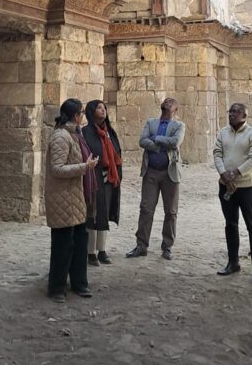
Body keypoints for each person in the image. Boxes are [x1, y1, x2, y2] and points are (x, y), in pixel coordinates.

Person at [45, 98, 99, 303]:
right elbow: (57, 168)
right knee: (62, 245)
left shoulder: (74, 135)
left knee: (79, 243)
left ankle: (79, 282)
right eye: (81, 113)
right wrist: (85, 168)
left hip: (74, 197)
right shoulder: (61, 137)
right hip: (62, 198)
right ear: (75, 115)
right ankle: (57, 287)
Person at [126, 97, 185, 261]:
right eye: (166, 101)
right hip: (151, 172)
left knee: (171, 212)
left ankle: (167, 246)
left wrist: (156, 138)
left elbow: (175, 142)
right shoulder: (151, 122)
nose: (167, 102)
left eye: (171, 102)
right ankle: (141, 245)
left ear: (176, 109)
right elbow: (142, 141)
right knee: (146, 209)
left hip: (170, 174)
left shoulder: (179, 125)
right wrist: (158, 145)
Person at [213, 103, 252, 280]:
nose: (232, 114)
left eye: (236, 112)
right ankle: (233, 262)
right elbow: (217, 153)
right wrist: (224, 175)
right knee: (231, 224)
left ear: (245, 115)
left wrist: (235, 173)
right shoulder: (222, 132)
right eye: (230, 111)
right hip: (226, 185)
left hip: (246, 186)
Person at [82, 99, 122, 266]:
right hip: (93, 178)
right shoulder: (85, 132)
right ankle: (90, 252)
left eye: (104, 107)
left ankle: (102, 250)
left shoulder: (110, 132)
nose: (103, 110)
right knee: (92, 213)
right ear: (92, 111)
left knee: (104, 213)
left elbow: (117, 154)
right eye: (99, 108)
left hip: (108, 178)